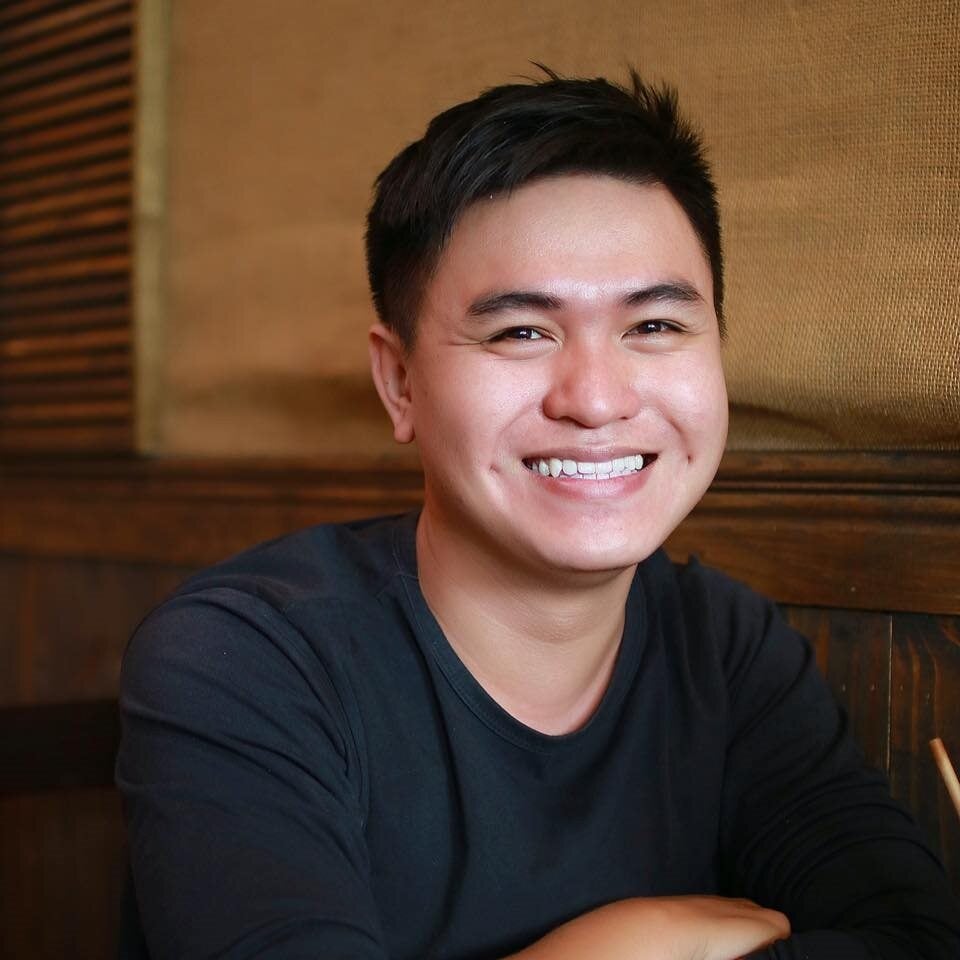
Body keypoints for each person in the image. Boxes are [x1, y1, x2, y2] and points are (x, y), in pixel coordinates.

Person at [116, 69, 960, 959]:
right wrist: (628, 944)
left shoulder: (726, 648)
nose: (595, 400)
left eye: (656, 327)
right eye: (522, 332)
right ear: (399, 383)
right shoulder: (242, 660)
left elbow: (913, 937)